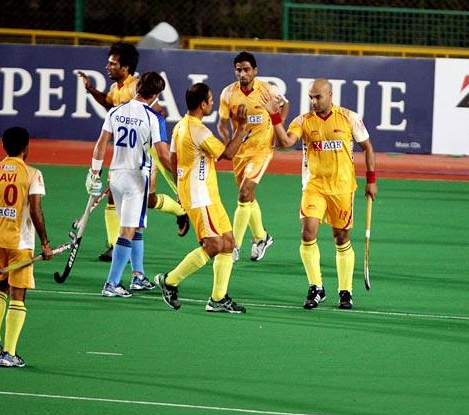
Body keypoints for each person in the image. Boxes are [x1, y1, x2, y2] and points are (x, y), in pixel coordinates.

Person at [261, 78, 377, 310]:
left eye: (318, 97)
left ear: (330, 95)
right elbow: (284, 142)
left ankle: (345, 291)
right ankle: (316, 287)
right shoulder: (302, 121)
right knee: (307, 232)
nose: (313, 101)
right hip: (314, 187)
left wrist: (371, 180)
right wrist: (275, 116)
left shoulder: (349, 117)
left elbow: (368, 147)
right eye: (310, 97)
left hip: (343, 188)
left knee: (341, 238)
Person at [79, 42, 189, 265]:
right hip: (126, 154)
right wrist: (91, 90)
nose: (107, 67)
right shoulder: (117, 88)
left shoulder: (134, 87)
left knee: (147, 201)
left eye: (113, 64)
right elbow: (111, 106)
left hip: (146, 154)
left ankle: (179, 211)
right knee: (113, 198)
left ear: (126, 67)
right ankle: (113, 245)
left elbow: (158, 111)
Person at [154, 82, 248, 313]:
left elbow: (174, 160)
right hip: (200, 195)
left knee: (228, 243)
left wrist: (179, 187)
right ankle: (169, 281)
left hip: (205, 194)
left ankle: (217, 299)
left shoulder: (181, 127)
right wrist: (241, 129)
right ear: (203, 104)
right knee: (214, 245)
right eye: (211, 100)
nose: (213, 103)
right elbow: (226, 153)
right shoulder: (199, 130)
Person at [87, 71, 174, 297]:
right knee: (127, 230)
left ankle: (138, 275)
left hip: (115, 176)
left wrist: (94, 173)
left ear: (137, 87)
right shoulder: (154, 118)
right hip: (137, 178)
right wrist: (179, 178)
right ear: (154, 94)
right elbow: (164, 156)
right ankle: (112, 283)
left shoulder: (115, 111)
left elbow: (101, 143)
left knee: (136, 226)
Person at [0, 127, 54, 367]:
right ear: (27, 148)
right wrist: (45, 243)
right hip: (20, 242)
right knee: (18, 295)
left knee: (0, 286)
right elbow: (35, 210)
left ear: (3, 146)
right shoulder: (32, 174)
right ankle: (9, 353)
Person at [217, 51, 289, 262]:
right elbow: (222, 123)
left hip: (262, 149)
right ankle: (262, 237)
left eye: (246, 69)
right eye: (239, 69)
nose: (242, 73)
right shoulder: (228, 94)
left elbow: (285, 104)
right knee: (248, 197)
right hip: (240, 151)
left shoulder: (267, 90)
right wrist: (227, 141)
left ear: (255, 71)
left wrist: (279, 127)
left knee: (244, 192)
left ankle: (234, 246)